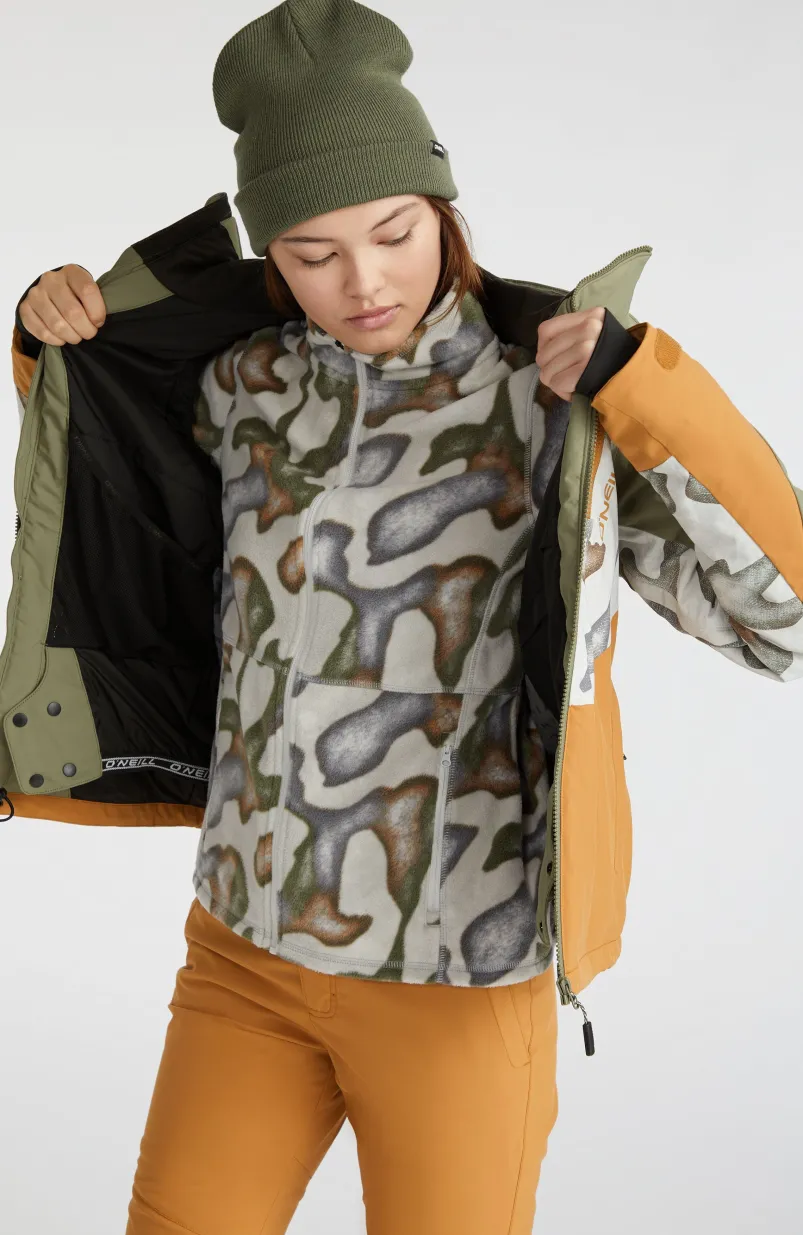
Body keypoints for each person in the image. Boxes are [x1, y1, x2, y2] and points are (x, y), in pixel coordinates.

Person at [6, 2, 803, 1232]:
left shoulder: (548, 401)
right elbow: (107, 472)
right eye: (312, 252)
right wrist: (49, 337)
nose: (363, 281)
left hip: (458, 975)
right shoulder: (244, 384)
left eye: (392, 233)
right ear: (271, 260)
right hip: (244, 948)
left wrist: (647, 387)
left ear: (443, 212)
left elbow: (780, 617)